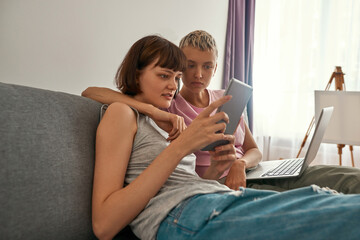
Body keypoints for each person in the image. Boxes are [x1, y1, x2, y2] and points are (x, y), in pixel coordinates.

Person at [92, 34, 360, 240]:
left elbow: (182, 183)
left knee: (324, 197)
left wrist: (216, 171)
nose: (173, 86)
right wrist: (180, 143)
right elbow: (104, 225)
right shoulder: (123, 114)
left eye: (175, 77)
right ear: (136, 73)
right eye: (165, 76)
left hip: (213, 195)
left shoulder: (162, 122)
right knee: (343, 214)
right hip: (185, 214)